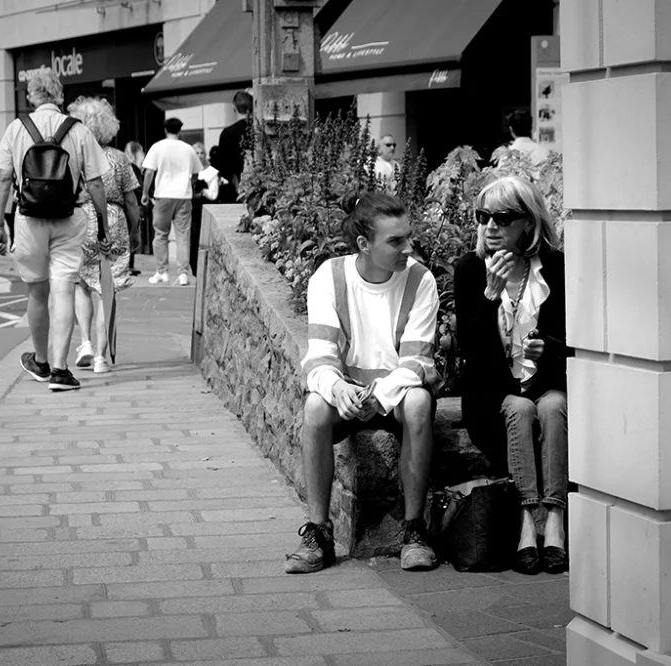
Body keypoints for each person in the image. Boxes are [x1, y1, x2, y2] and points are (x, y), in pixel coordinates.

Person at [286, 193, 440, 574]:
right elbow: (319, 356)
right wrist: (337, 389)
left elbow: (416, 362)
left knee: (419, 402)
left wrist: (379, 396)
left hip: (398, 395)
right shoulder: (330, 276)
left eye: (408, 237)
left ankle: (414, 530)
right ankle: (319, 534)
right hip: (349, 392)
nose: (408, 247)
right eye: (396, 241)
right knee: (315, 407)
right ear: (363, 244)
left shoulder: (420, 279)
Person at [453, 175, 569, 575]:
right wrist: (490, 295)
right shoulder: (470, 270)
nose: (490, 227)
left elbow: (571, 343)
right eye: (483, 216)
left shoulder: (554, 267)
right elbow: (471, 354)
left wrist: (548, 349)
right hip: (493, 401)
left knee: (553, 405)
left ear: (528, 222)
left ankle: (554, 522)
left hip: (546, 387)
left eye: (502, 218)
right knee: (521, 407)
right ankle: (525, 522)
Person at [0, 69, 114, 392]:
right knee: (63, 289)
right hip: (67, 218)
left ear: (31, 96)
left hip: (28, 220)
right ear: (59, 96)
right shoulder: (78, 130)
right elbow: (97, 183)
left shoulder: (16, 129)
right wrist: (103, 224)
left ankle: (40, 362)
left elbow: (2, 179)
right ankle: (60, 371)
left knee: (36, 291)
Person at [67, 96, 141, 374]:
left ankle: (84, 342)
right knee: (105, 291)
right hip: (113, 221)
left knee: (82, 285)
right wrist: (135, 232)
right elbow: (132, 201)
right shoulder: (119, 159)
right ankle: (100, 357)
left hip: (80, 221)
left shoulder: (75, 156)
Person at [141, 117, 202, 286]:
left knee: (160, 234)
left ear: (165, 130)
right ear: (180, 130)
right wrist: (189, 184)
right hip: (184, 196)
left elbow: (148, 172)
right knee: (183, 236)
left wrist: (145, 193)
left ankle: (162, 272)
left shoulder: (158, 147)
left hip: (163, 195)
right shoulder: (188, 149)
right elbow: (197, 173)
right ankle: (183, 274)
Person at [215, 90, 252, 203]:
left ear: (234, 108)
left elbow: (223, 167)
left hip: (235, 189)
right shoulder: (259, 130)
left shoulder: (228, 133)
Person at [190, 143, 220, 274]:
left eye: (201, 153)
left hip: (204, 207)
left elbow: (214, 194)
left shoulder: (211, 172)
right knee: (192, 239)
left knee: (203, 238)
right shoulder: (187, 171)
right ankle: (194, 267)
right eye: (196, 153)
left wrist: (203, 192)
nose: (199, 156)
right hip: (190, 208)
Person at [124, 140, 147, 276]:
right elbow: (136, 187)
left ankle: (129, 265)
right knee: (131, 231)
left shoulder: (128, 166)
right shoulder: (133, 167)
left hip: (127, 205)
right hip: (130, 205)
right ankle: (128, 265)